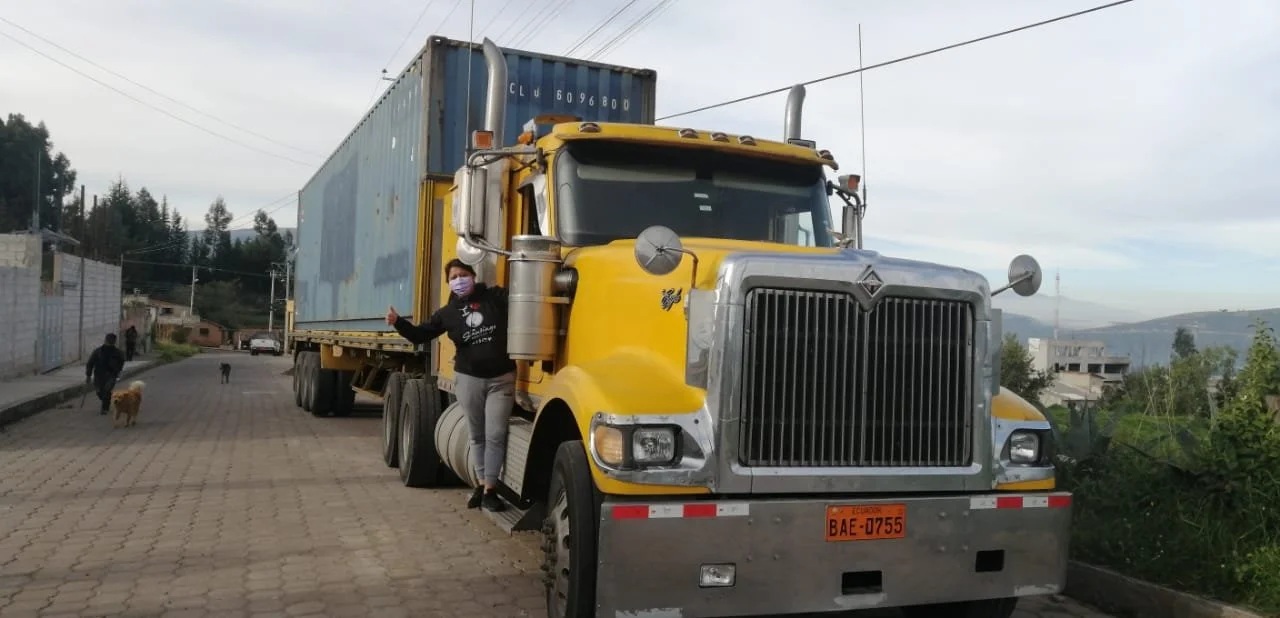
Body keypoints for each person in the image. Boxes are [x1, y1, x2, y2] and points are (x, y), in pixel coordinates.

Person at [387, 258, 515, 512]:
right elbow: (420, 334)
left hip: (501, 380)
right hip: (469, 380)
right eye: (453, 277)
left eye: (463, 274)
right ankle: (481, 485)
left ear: (473, 276)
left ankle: (490, 489)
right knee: (477, 436)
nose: (459, 280)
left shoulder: (495, 298)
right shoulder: (447, 314)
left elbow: (523, 297)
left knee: (496, 434)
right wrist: (398, 322)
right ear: (449, 283)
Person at [86, 333, 126, 416]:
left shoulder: (118, 352)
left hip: (111, 375)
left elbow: (122, 361)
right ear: (106, 340)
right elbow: (90, 363)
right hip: (98, 375)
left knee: (107, 390)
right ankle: (106, 400)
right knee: (99, 392)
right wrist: (88, 375)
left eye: (112, 340)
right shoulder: (98, 351)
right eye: (109, 340)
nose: (110, 342)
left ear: (114, 341)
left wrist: (118, 370)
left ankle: (104, 408)